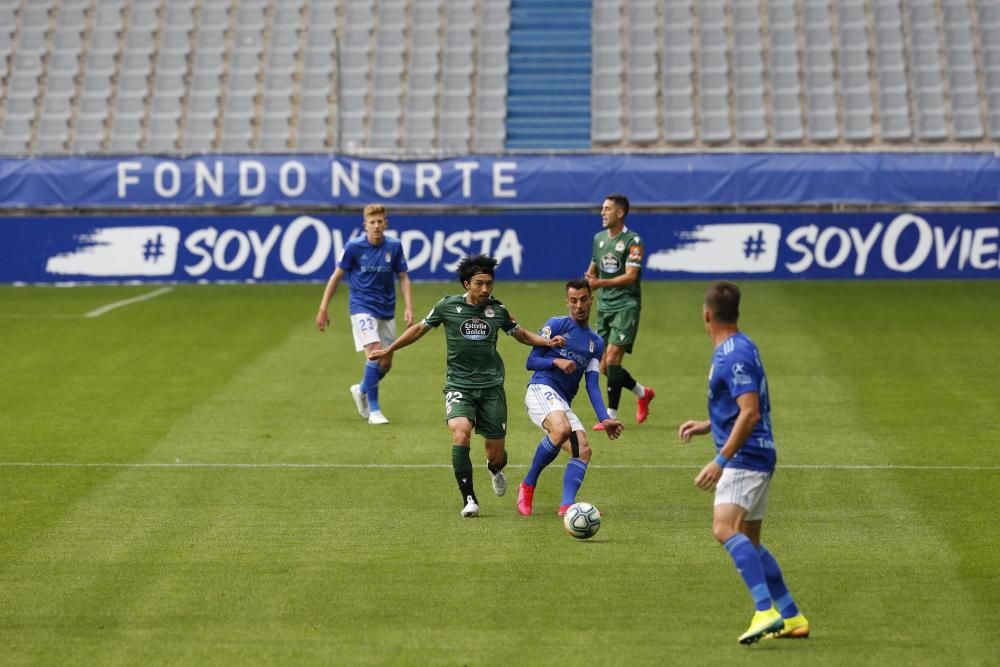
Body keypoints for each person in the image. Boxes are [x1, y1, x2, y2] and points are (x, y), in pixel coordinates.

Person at [369, 254, 565, 518]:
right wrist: (389, 349)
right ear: (466, 284)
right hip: (459, 385)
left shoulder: (498, 310)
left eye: (489, 284)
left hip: (491, 388)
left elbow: (521, 334)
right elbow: (418, 329)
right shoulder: (446, 306)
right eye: (479, 283)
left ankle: (495, 469)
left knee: (496, 454)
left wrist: (546, 344)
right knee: (461, 432)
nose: (485, 289)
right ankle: (469, 498)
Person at [678, 280, 809, 645]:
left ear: (706, 315)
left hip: (746, 457)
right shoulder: (740, 345)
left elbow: (750, 412)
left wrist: (721, 459)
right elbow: (741, 407)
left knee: (723, 529)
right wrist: (708, 426)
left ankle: (764, 611)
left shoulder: (732, 355)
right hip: (756, 454)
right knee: (749, 540)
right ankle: (791, 615)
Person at [517, 279, 624, 517]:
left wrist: (605, 418)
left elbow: (593, 384)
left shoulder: (595, 343)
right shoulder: (556, 325)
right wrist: (556, 360)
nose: (579, 306)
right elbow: (531, 362)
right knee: (562, 428)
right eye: (573, 301)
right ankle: (527, 486)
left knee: (583, 449)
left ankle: (567, 507)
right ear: (567, 302)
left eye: (584, 300)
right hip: (540, 389)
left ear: (591, 300)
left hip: (561, 401)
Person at [316, 204, 413, 425]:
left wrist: (409, 307)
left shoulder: (394, 246)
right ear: (365, 225)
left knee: (386, 363)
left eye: (380, 222)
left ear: (385, 223)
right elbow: (336, 277)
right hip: (361, 307)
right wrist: (323, 307)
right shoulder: (354, 247)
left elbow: (403, 277)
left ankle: (361, 389)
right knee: (375, 352)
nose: (376, 226)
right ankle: (375, 411)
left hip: (386, 308)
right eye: (372, 222)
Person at [585, 193, 655, 431]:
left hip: (626, 305)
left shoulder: (633, 240)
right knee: (604, 366)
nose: (602, 212)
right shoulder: (599, 238)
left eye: (607, 209)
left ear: (620, 212)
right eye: (602, 208)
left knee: (613, 359)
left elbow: (630, 276)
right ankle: (643, 393)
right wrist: (587, 283)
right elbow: (593, 267)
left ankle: (609, 417)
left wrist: (599, 284)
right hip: (604, 306)